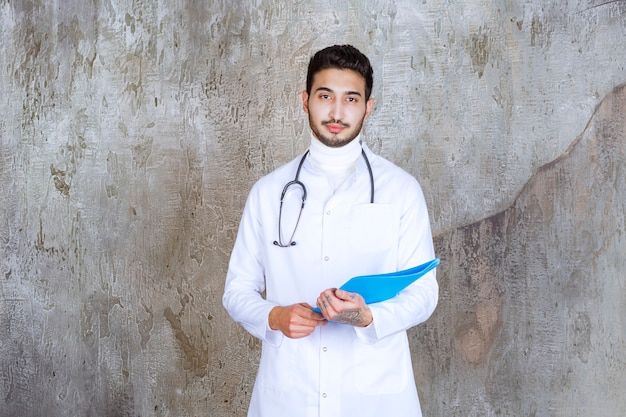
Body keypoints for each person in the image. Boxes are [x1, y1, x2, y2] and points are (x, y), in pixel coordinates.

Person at [223, 44, 438, 417]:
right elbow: (237, 291)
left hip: (375, 397)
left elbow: (424, 293)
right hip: (289, 395)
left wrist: (368, 317)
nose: (337, 112)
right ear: (305, 100)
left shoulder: (401, 191)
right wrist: (275, 317)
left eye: (351, 99)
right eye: (325, 96)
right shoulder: (269, 192)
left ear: (368, 107)